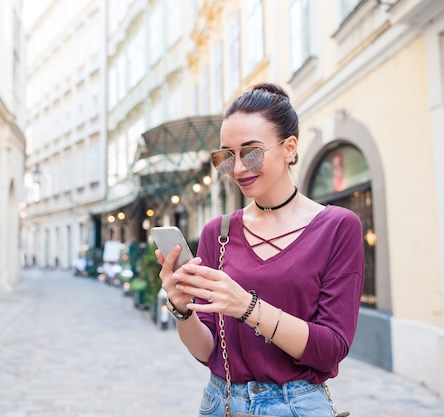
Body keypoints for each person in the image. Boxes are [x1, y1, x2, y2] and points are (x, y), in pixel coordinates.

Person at [156, 83, 364, 417]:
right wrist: (182, 309)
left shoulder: (338, 226)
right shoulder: (218, 233)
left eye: (251, 152)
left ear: (290, 148)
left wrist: (246, 306)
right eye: (226, 157)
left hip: (297, 406)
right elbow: (209, 351)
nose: (237, 169)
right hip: (222, 403)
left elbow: (330, 350)